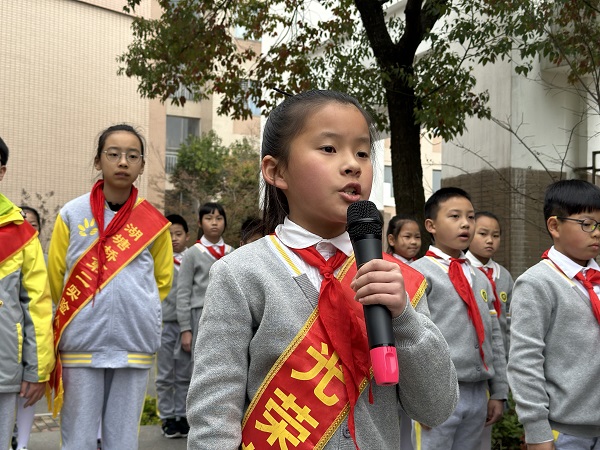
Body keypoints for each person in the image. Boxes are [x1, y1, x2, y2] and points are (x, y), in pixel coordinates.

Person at [186, 90, 459, 449]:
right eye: (329, 148)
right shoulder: (241, 274)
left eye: (362, 152)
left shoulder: (393, 279)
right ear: (276, 171)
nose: (352, 165)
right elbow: (213, 414)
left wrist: (404, 319)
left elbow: (436, 408)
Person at [47, 124, 173, 450]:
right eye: (113, 154)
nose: (123, 162)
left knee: (123, 438)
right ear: (98, 161)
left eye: (132, 156)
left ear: (142, 165)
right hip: (81, 341)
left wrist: (141, 309)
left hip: (134, 340)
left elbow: (162, 280)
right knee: (78, 437)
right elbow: (56, 275)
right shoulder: (72, 214)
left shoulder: (153, 222)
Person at [412, 187, 508, 450]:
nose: (465, 223)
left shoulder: (480, 278)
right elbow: (411, 339)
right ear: (431, 225)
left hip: (478, 390)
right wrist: (420, 397)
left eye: (470, 217)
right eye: (454, 216)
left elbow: (495, 336)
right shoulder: (418, 273)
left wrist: (498, 391)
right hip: (437, 391)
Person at [508, 179, 600, 450]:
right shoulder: (536, 283)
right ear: (555, 226)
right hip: (565, 431)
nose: (596, 233)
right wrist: (537, 431)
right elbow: (525, 361)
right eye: (587, 224)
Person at [0, 137, 54, 450]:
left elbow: (37, 306)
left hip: (4, 366)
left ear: (2, 171)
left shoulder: (22, 233)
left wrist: (36, 369)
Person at [466, 211, 514, 450]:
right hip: (468, 368)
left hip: (497, 364)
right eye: (483, 234)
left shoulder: (504, 276)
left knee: (483, 436)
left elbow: (508, 325)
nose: (490, 240)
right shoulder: (463, 272)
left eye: (495, 235)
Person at [385, 213, 422, 450]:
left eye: (417, 237)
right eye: (407, 236)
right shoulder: (385, 266)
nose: (414, 242)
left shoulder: (420, 270)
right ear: (392, 239)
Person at [177, 202, 233, 356]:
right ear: (200, 223)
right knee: (200, 359)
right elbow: (183, 292)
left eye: (219, 218)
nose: (214, 223)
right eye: (209, 218)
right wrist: (185, 328)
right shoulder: (192, 254)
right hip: (199, 314)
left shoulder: (232, 253)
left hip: (228, 315)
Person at [156, 214, 192, 439]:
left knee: (185, 373)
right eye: (169, 235)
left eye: (178, 234)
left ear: (187, 236)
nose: (174, 239)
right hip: (165, 323)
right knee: (165, 374)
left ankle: (183, 415)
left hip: (187, 325)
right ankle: (167, 416)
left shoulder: (192, 258)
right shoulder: (158, 260)